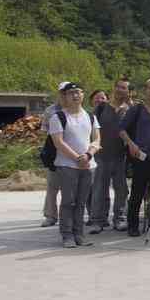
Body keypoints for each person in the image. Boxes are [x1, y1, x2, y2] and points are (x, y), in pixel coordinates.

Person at [48, 82, 101, 248]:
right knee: (68, 201)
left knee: (81, 201)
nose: (76, 95)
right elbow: (59, 142)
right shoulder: (58, 117)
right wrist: (78, 158)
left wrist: (88, 155)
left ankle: (79, 234)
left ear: (83, 95)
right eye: (71, 93)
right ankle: (67, 235)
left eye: (78, 92)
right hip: (67, 166)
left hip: (88, 165)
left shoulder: (90, 116)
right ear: (65, 96)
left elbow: (97, 139)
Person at [120, 77, 150, 236]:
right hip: (141, 156)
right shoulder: (137, 109)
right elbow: (121, 129)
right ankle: (132, 225)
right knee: (137, 191)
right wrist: (131, 144)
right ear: (145, 90)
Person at [89, 77, 131, 233]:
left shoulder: (129, 109)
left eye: (124, 88)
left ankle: (120, 219)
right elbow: (91, 129)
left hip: (120, 156)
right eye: (119, 87)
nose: (121, 90)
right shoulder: (101, 108)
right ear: (114, 88)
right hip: (101, 155)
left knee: (121, 189)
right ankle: (97, 221)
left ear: (128, 92)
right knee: (99, 189)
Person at [40, 84, 67, 227]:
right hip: (54, 153)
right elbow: (44, 130)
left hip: (72, 153)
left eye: (67, 92)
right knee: (52, 187)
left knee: (71, 188)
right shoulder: (50, 111)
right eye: (62, 92)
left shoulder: (77, 110)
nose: (64, 95)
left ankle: (68, 217)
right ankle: (50, 216)